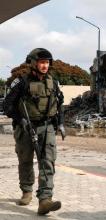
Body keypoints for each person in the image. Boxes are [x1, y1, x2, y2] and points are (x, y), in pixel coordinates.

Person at [4, 48, 65, 215]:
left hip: (47, 127)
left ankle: (45, 200)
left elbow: (59, 104)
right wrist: (20, 119)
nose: (45, 66)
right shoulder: (21, 82)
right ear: (33, 63)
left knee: (48, 161)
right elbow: (7, 106)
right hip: (25, 127)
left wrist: (61, 124)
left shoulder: (54, 82)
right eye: (41, 62)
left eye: (47, 62)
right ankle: (26, 190)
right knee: (25, 160)